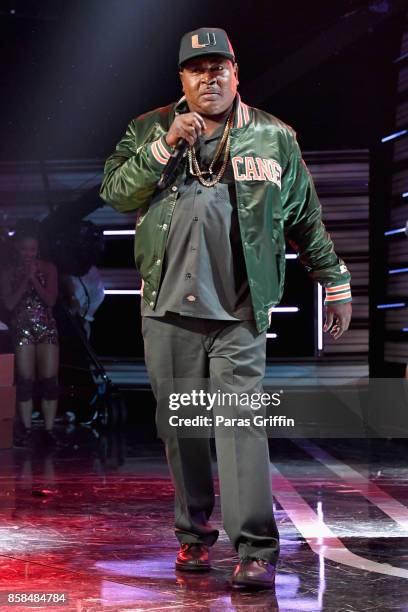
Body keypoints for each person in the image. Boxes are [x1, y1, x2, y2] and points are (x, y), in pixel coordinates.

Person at [100, 27, 352, 589]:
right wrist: (164, 145)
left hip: (239, 311)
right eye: (197, 69)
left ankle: (256, 550)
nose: (209, 78)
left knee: (241, 428)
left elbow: (304, 217)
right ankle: (193, 537)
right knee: (183, 430)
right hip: (167, 310)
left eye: (219, 68)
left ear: (237, 74)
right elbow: (115, 192)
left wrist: (334, 281)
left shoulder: (273, 136)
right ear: (182, 80)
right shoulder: (148, 128)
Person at [0, 220, 59, 447]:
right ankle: (25, 428)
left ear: (38, 250)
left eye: (32, 249)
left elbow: (50, 300)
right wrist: (25, 278)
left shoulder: (48, 268)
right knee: (25, 381)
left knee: (50, 381)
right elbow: (10, 303)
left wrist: (35, 277)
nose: (28, 253)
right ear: (17, 249)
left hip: (47, 327)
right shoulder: (8, 272)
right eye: (24, 249)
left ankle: (49, 430)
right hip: (22, 328)